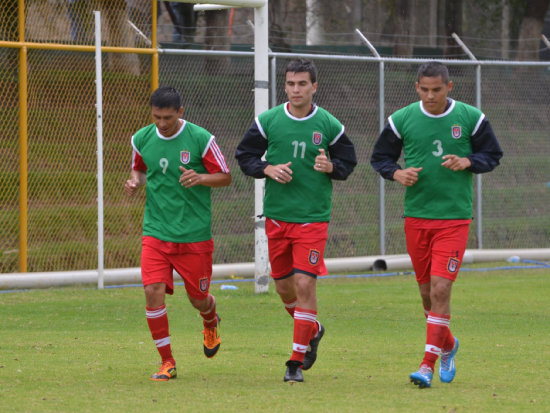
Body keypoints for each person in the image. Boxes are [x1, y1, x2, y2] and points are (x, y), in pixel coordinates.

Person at [370, 61, 503, 388]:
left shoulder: (471, 118)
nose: (430, 96)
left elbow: (493, 154)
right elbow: (380, 159)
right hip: (417, 218)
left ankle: (427, 365)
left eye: (437, 90)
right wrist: (397, 173)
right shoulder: (401, 119)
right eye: (424, 90)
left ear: (449, 88)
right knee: (428, 296)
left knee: (442, 288)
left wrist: (468, 160)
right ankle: (448, 344)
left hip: (454, 219)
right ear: (417, 87)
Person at [235, 58, 357, 383]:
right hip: (277, 218)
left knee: (305, 283)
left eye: (302, 84)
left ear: (314, 87)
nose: (296, 89)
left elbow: (348, 160)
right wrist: (267, 168)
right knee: (284, 288)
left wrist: (332, 167)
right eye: (290, 83)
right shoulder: (269, 121)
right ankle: (312, 328)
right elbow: (244, 156)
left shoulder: (328, 124)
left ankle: (295, 361)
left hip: (312, 218)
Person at [124, 86, 231, 381]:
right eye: (156, 117)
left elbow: (226, 176)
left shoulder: (201, 139)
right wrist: (135, 181)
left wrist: (201, 177)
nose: (161, 123)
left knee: (198, 299)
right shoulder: (141, 138)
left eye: (168, 117)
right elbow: (140, 170)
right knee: (152, 291)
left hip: (194, 234)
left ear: (180, 113)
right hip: (156, 230)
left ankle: (210, 320)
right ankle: (167, 362)